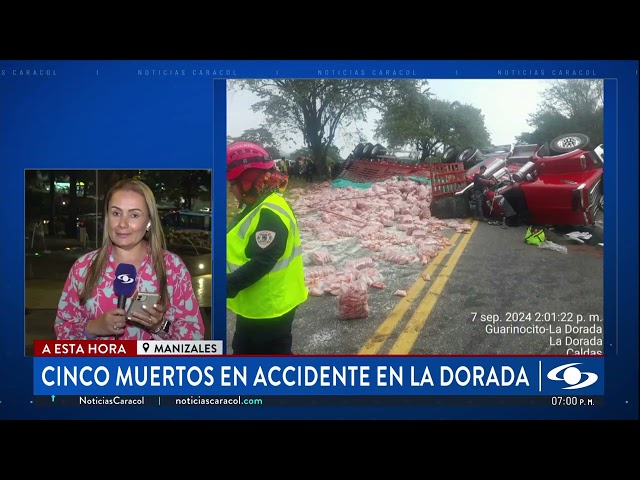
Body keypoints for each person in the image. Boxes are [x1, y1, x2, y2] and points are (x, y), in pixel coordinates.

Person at [54, 179, 205, 340]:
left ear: (148, 221)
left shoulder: (173, 268)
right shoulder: (84, 267)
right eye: (116, 213)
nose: (122, 224)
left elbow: (194, 337)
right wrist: (93, 327)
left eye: (134, 215)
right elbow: (63, 332)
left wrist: (160, 326)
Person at [226, 141, 308, 354]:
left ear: (248, 180)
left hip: (269, 308)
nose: (231, 189)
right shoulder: (259, 204)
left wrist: (224, 286)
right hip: (257, 306)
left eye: (233, 183)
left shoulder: (269, 212)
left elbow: (263, 260)